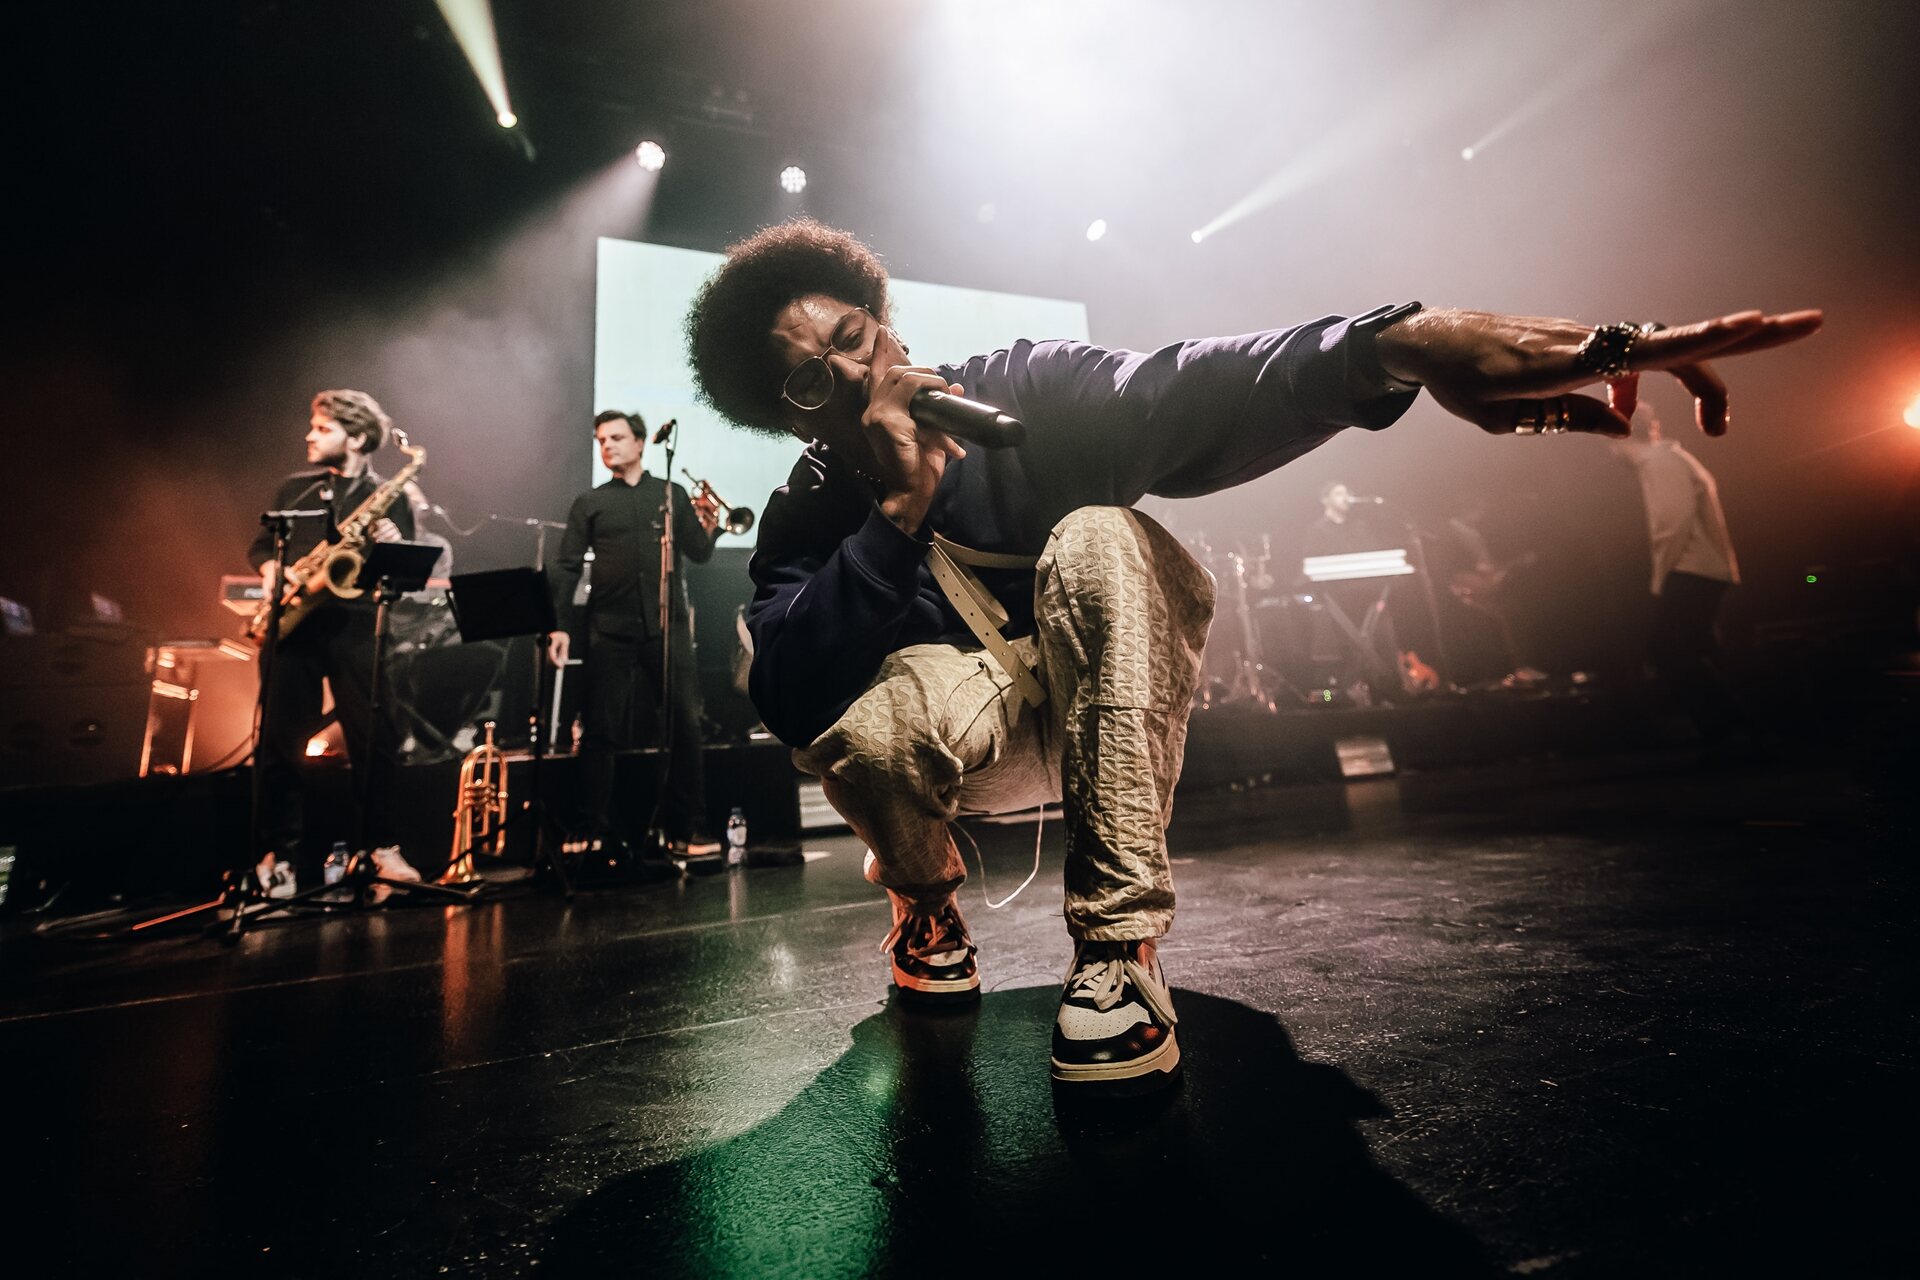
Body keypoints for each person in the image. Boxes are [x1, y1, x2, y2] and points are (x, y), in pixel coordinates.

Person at [683, 217, 1819, 1090]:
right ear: (789, 414)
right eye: (810, 375)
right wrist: (893, 515)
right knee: (867, 717)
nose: (849, 371)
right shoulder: (805, 512)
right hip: (960, 744)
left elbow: (1186, 385)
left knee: (1101, 533)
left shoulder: (1018, 385)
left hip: (1105, 704)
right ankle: (926, 903)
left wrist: (1398, 346)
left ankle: (1118, 952)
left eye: (854, 336)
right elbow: (790, 694)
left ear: (887, 323)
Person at [247, 389, 422, 894]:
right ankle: (277, 854)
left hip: (356, 623)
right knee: (279, 742)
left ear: (358, 438)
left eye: (323, 428)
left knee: (375, 739)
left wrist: (393, 546)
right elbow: (260, 547)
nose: (310, 435)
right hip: (294, 623)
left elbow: (405, 578)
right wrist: (273, 570)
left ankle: (379, 848)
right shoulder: (295, 489)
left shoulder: (390, 495)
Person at [548, 410, 723, 864]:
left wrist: (713, 526)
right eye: (601, 440)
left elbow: (699, 553)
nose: (607, 445)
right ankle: (590, 828)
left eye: (617, 437)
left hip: (667, 627)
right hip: (609, 627)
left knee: (686, 727)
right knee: (600, 729)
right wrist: (560, 626)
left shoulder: (670, 493)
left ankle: (688, 829)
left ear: (641, 443)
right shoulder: (590, 502)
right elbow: (567, 567)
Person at [1612, 402, 1751, 745]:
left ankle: (1735, 730)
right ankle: (1732, 739)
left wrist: (1660, 580)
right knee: (1697, 652)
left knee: (1667, 650)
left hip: (1693, 569)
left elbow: (1673, 524)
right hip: (1702, 569)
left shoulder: (1659, 462)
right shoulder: (1666, 459)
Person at [1301, 480, 1411, 699]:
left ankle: (1392, 691)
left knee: (1384, 639)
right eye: (1339, 493)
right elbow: (1312, 564)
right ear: (1325, 500)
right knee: (1349, 643)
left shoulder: (1360, 526)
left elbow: (1375, 556)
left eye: (1347, 493)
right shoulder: (1316, 531)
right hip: (1341, 598)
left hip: (1371, 594)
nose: (1346, 497)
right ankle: (1351, 691)